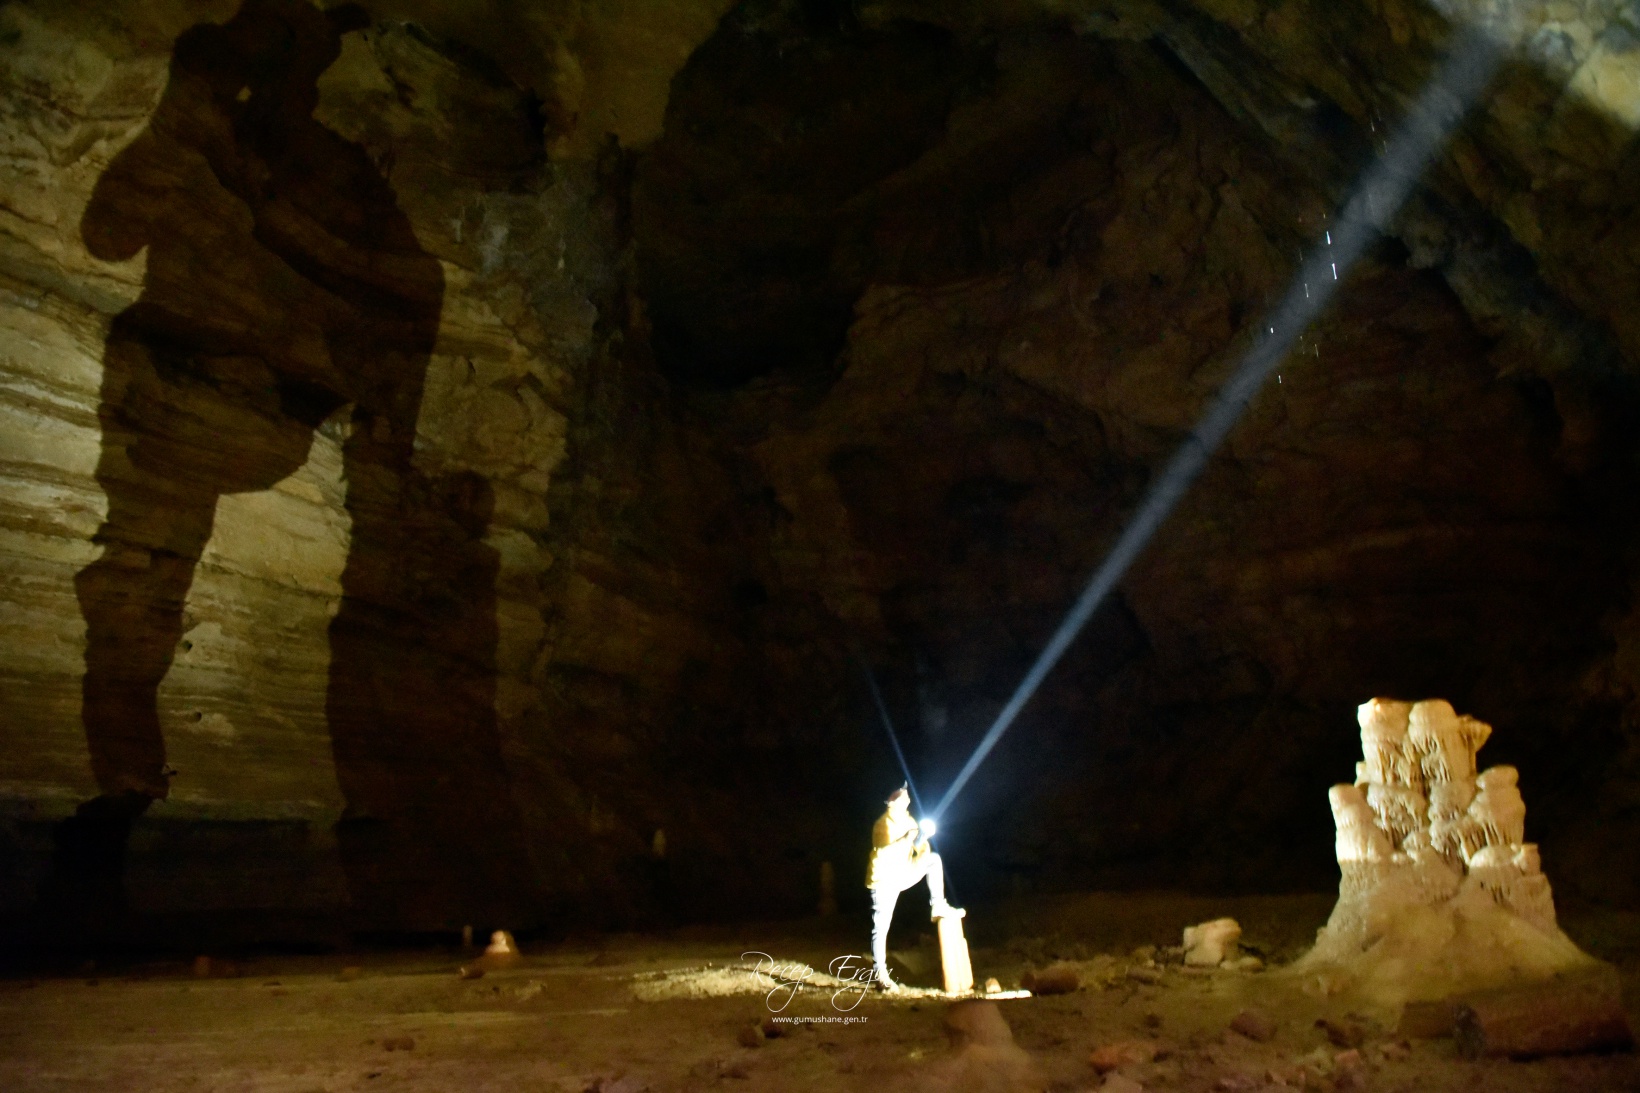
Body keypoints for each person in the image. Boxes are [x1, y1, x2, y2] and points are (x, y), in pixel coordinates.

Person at [866, 786, 963, 990]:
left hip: (903, 872)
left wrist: (921, 839)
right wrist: (905, 840)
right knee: (881, 927)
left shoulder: (909, 821)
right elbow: (883, 853)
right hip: (884, 879)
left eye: (907, 796)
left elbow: (920, 850)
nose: (906, 799)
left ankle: (938, 904)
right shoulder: (882, 824)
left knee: (933, 860)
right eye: (901, 796)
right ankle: (880, 974)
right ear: (891, 801)